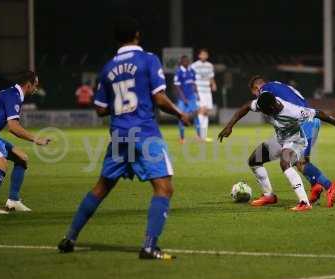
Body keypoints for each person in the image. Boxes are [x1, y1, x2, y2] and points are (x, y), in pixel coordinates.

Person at [58, 17, 190, 259]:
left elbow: (99, 109)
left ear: (117, 39)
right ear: (137, 35)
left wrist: (120, 107)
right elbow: (159, 99)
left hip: (119, 134)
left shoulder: (108, 68)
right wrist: (180, 114)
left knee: (101, 187)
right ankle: (149, 246)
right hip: (144, 134)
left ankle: (69, 237)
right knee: (163, 188)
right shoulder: (148, 59)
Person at [218, 92, 335, 212]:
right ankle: (269, 196)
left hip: (296, 141)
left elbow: (318, 113)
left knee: (284, 163)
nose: (262, 113)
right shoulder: (265, 102)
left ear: (271, 108)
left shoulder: (293, 112)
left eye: (264, 111)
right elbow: (247, 106)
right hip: (280, 139)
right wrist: (229, 126)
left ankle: (304, 203)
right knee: (254, 160)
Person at [247, 76, 335, 207]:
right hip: (307, 121)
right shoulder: (278, 85)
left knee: (298, 161)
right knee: (300, 159)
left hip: (303, 122)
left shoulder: (265, 90)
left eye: (256, 94)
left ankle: (329, 186)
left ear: (257, 88)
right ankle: (315, 186)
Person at [0, 71, 51, 214]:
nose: (36, 88)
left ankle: (13, 201)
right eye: (35, 84)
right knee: (1, 164)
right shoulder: (13, 96)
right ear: (28, 85)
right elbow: (13, 127)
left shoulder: (12, 94)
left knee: (21, 158)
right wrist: (36, 139)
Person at [191, 48, 217, 142]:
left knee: (206, 112)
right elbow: (191, 79)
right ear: (199, 55)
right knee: (201, 111)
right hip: (199, 90)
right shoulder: (194, 65)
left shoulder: (209, 65)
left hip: (207, 91)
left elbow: (211, 77)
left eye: (205, 54)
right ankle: (199, 135)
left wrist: (213, 84)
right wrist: (194, 90)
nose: (204, 56)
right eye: (202, 54)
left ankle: (204, 135)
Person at [174, 55, 200, 143]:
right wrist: (183, 98)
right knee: (181, 117)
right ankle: (182, 138)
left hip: (192, 97)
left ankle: (198, 136)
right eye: (184, 61)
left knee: (196, 115)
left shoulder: (191, 71)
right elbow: (177, 87)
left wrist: (197, 94)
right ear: (181, 62)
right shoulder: (179, 72)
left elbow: (194, 84)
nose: (186, 62)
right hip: (183, 98)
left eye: (187, 61)